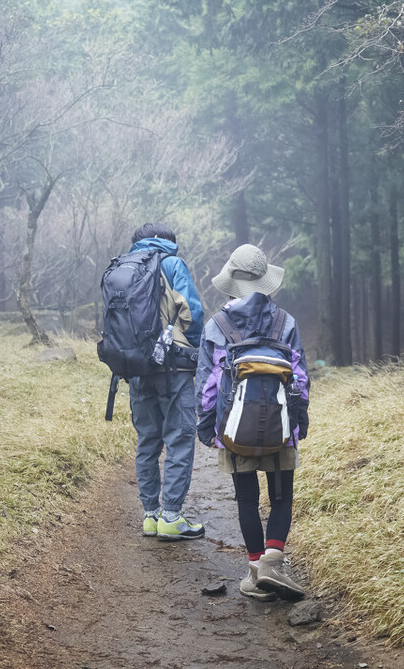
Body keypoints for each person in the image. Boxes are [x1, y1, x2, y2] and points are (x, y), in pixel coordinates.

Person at [196, 243, 310, 600]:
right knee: (281, 497)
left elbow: (208, 383)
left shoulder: (217, 325)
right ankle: (273, 563)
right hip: (281, 425)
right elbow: (300, 377)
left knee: (246, 498)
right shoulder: (285, 321)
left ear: (233, 281)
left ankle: (256, 572)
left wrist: (206, 424)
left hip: (234, 427)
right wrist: (300, 418)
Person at [126, 223, 206, 540]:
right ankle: (171, 517)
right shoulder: (171, 263)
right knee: (179, 438)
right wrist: (193, 348)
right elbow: (193, 313)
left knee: (147, 440)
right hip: (173, 367)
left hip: (136, 367)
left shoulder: (124, 267)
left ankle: (150, 516)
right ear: (167, 241)